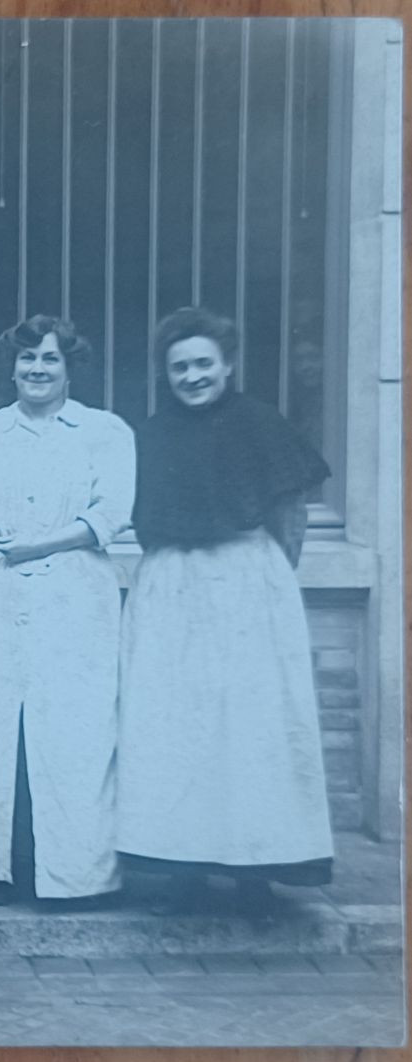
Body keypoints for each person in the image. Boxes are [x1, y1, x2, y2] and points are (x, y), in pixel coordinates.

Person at [117, 307, 334, 915]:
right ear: (167, 373)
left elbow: (290, 519)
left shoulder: (260, 423)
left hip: (245, 584)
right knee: (177, 730)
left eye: (203, 365)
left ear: (228, 365)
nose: (192, 376)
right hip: (171, 588)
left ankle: (254, 872)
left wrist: (261, 587)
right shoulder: (153, 435)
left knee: (250, 730)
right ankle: (182, 869)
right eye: (180, 366)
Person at [0, 316, 136, 904]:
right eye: (27, 359)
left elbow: (113, 513)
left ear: (68, 366)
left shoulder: (103, 431)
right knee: (1, 729)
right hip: (1, 592)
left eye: (49, 359)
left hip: (77, 594)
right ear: (12, 367)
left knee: (75, 731)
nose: (37, 370)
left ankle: (78, 874)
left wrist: (42, 544)